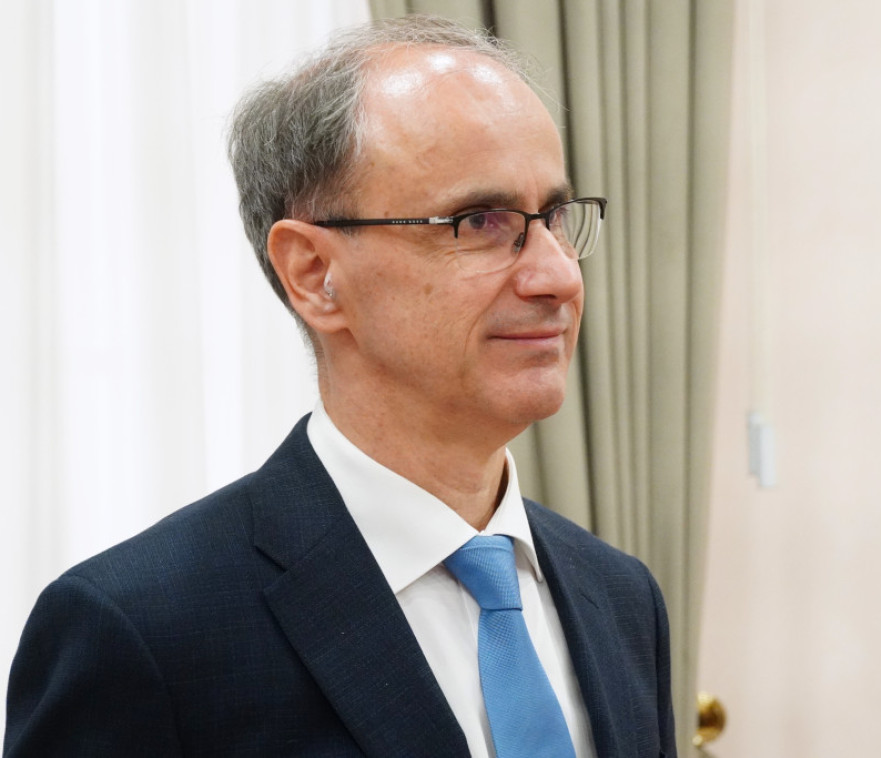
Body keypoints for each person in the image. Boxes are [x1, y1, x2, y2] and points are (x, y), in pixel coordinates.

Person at [4, 15, 675, 758]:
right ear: (314, 274)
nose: (557, 276)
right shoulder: (142, 631)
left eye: (553, 217)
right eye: (480, 221)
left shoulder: (621, 598)